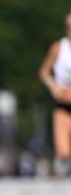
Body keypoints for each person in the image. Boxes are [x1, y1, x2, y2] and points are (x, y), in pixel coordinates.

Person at [39, 11, 71, 175]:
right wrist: (53, 86)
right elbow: (44, 72)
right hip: (63, 107)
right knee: (63, 151)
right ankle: (61, 166)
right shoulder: (59, 48)